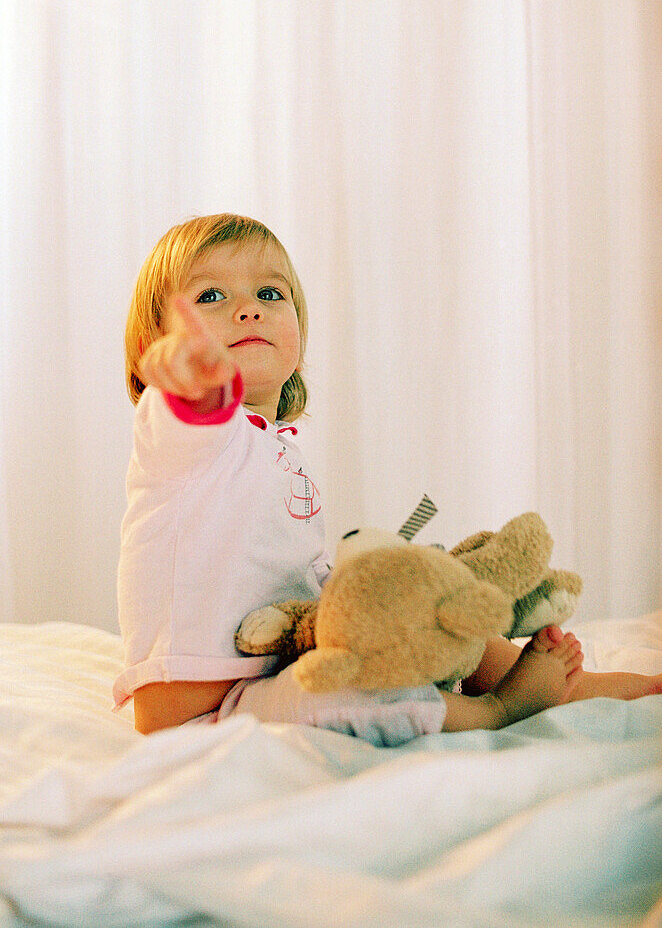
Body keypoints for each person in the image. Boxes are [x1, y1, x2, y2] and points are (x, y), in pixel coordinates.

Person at [112, 213, 654, 743]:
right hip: (204, 706)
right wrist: (190, 378)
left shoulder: (275, 444)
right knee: (357, 694)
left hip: (283, 654)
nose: (248, 310)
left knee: (448, 622)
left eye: (270, 295)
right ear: (152, 351)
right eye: (210, 298)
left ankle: (603, 686)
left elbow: (288, 572)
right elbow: (193, 404)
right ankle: (497, 709)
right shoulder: (183, 432)